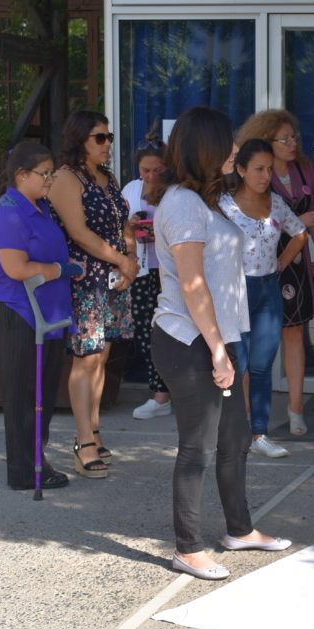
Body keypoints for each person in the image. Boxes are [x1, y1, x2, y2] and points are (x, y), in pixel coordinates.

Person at [149, 106, 292, 581]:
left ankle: (240, 530)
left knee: (234, 439)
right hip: (190, 340)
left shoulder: (204, 200)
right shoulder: (183, 204)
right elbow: (193, 286)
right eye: (227, 143)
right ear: (205, 148)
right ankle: (188, 548)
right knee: (198, 447)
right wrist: (216, 351)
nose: (234, 149)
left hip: (218, 337)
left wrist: (225, 345)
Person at [0, 142, 80, 489]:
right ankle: (25, 472)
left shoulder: (40, 208)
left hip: (47, 315)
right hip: (19, 315)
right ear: (22, 175)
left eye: (52, 173)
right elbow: (16, 268)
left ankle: (37, 458)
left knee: (44, 396)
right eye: (45, 174)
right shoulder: (8, 213)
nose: (51, 180)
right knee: (23, 397)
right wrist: (60, 269)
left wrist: (63, 267)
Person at [48, 110, 136, 478]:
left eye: (109, 137)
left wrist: (130, 259)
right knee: (85, 359)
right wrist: (122, 260)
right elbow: (79, 233)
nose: (107, 144)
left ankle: (94, 432)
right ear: (79, 139)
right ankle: (82, 442)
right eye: (99, 137)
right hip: (86, 280)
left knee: (101, 358)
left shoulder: (108, 177)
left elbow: (124, 223)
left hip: (113, 277)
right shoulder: (66, 178)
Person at [236, 110, 314, 435]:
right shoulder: (249, 178)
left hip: (294, 263)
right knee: (247, 344)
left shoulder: (303, 168)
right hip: (254, 269)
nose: (292, 143)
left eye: (294, 137)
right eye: (284, 139)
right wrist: (300, 222)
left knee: (294, 335)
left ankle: (295, 410)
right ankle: (245, 415)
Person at [220, 138, 309, 459]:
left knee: (261, 367)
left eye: (269, 169)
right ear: (241, 169)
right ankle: (229, 433)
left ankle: (260, 434)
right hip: (236, 291)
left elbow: (300, 234)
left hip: (268, 290)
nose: (265, 176)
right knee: (237, 365)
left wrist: (282, 262)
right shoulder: (223, 204)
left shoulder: (276, 203)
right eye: (258, 169)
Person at [122, 131, 171, 420]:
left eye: (157, 170)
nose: (151, 176)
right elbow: (119, 228)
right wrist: (130, 227)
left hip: (170, 269)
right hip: (141, 269)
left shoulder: (175, 191)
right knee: (145, 333)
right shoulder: (130, 189)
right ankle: (159, 395)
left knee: (171, 330)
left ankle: (173, 393)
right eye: (145, 170)